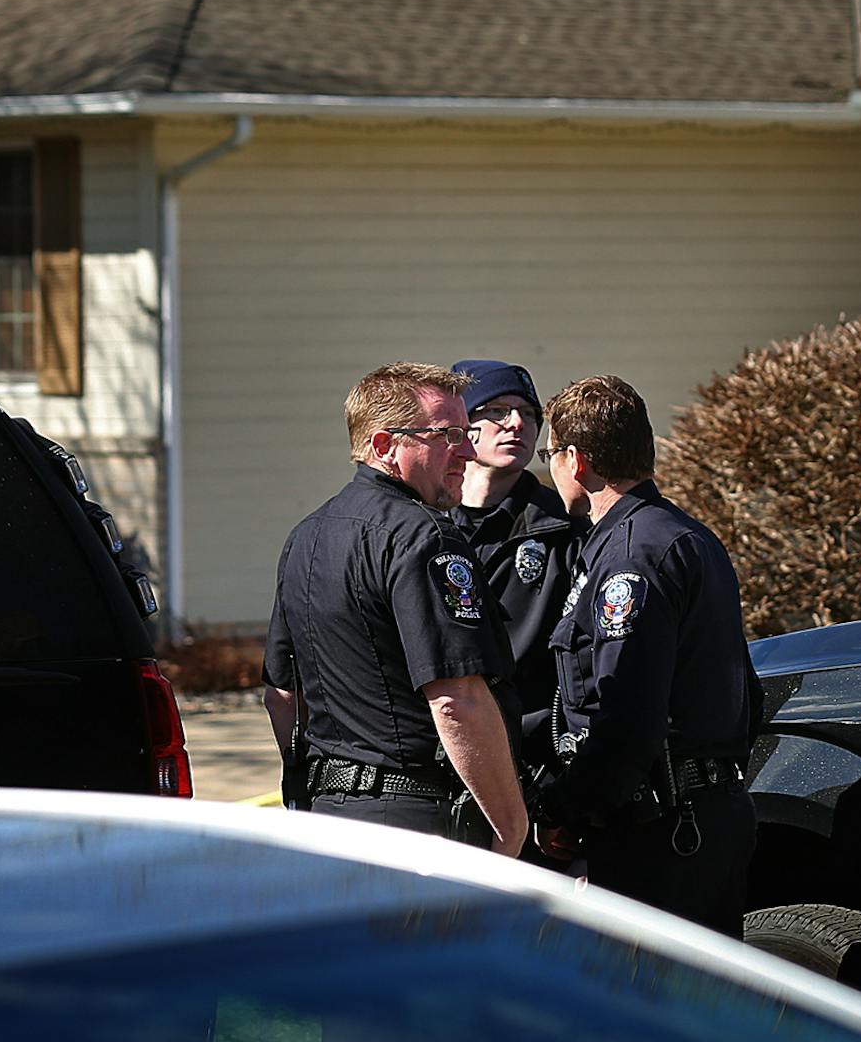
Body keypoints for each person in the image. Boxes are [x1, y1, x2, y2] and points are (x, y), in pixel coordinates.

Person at [262, 362, 528, 854]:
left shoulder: (306, 536)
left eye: (467, 433)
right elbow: (457, 701)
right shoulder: (426, 538)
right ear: (385, 446)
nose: (468, 451)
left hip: (327, 818)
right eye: (448, 435)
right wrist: (510, 827)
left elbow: (282, 697)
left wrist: (315, 787)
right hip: (418, 824)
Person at [532, 375, 759, 935]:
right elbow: (746, 693)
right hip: (705, 814)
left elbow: (627, 714)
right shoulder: (685, 536)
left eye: (549, 454)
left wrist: (563, 808)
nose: (549, 468)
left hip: (660, 830)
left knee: (644, 984)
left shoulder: (632, 557)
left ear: (577, 461)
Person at [447, 360, 583, 769]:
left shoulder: (565, 526)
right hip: (441, 753)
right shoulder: (422, 524)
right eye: (497, 411)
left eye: (528, 413)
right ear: (462, 425)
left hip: (537, 755)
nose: (517, 424)